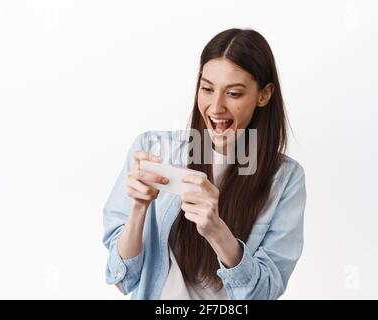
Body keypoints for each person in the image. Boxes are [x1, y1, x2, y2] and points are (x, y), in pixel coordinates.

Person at [102, 28, 306, 299]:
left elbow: (264, 292)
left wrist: (217, 232)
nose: (215, 107)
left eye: (233, 94)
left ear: (264, 95)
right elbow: (123, 278)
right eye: (207, 89)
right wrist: (139, 209)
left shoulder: (285, 180)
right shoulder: (152, 149)